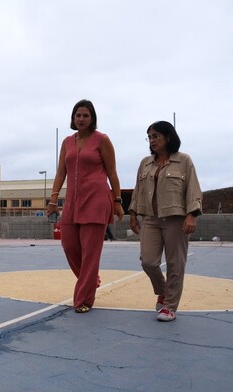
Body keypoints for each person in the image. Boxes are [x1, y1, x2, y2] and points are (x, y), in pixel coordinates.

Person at [47, 99, 124, 313]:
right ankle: (90, 279)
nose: (81, 119)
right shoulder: (67, 142)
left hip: (96, 201)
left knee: (91, 252)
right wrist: (53, 200)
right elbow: (61, 173)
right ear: (73, 118)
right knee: (69, 246)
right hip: (72, 202)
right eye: (78, 115)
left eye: (85, 115)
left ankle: (84, 300)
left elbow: (112, 173)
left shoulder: (102, 140)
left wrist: (118, 201)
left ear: (92, 118)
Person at [129, 121, 202, 322]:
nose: (152, 140)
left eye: (156, 136)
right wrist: (133, 214)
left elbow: (193, 189)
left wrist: (191, 215)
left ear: (168, 137)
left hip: (175, 218)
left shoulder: (184, 160)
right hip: (150, 218)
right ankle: (163, 291)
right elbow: (137, 190)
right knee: (148, 261)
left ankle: (170, 306)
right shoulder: (145, 163)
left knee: (175, 264)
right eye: (149, 137)